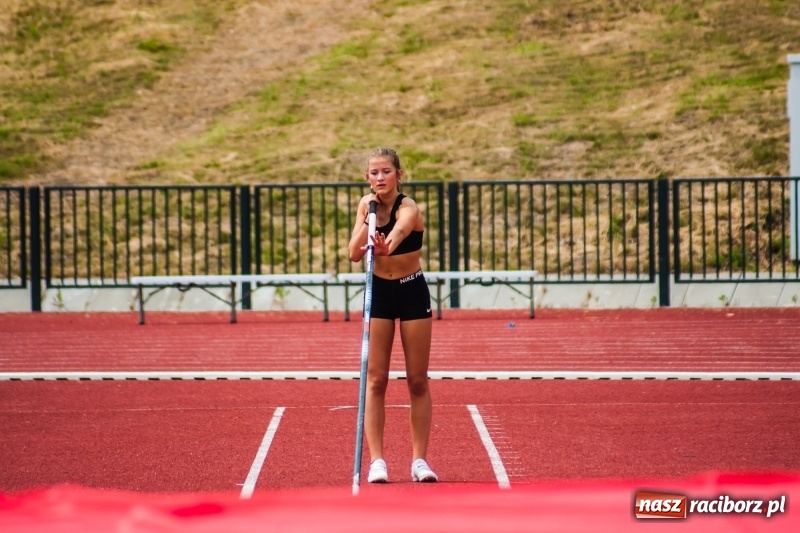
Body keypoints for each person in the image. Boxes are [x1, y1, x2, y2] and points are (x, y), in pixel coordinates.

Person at [348, 147, 438, 483]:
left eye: (386, 171)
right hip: (379, 293)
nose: (380, 178)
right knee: (376, 380)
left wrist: (388, 244)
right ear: (367, 178)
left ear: (399, 174)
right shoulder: (365, 205)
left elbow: (401, 230)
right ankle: (377, 461)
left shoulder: (409, 207)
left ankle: (419, 460)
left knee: (417, 379)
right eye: (374, 173)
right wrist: (367, 217)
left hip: (412, 290)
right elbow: (352, 254)